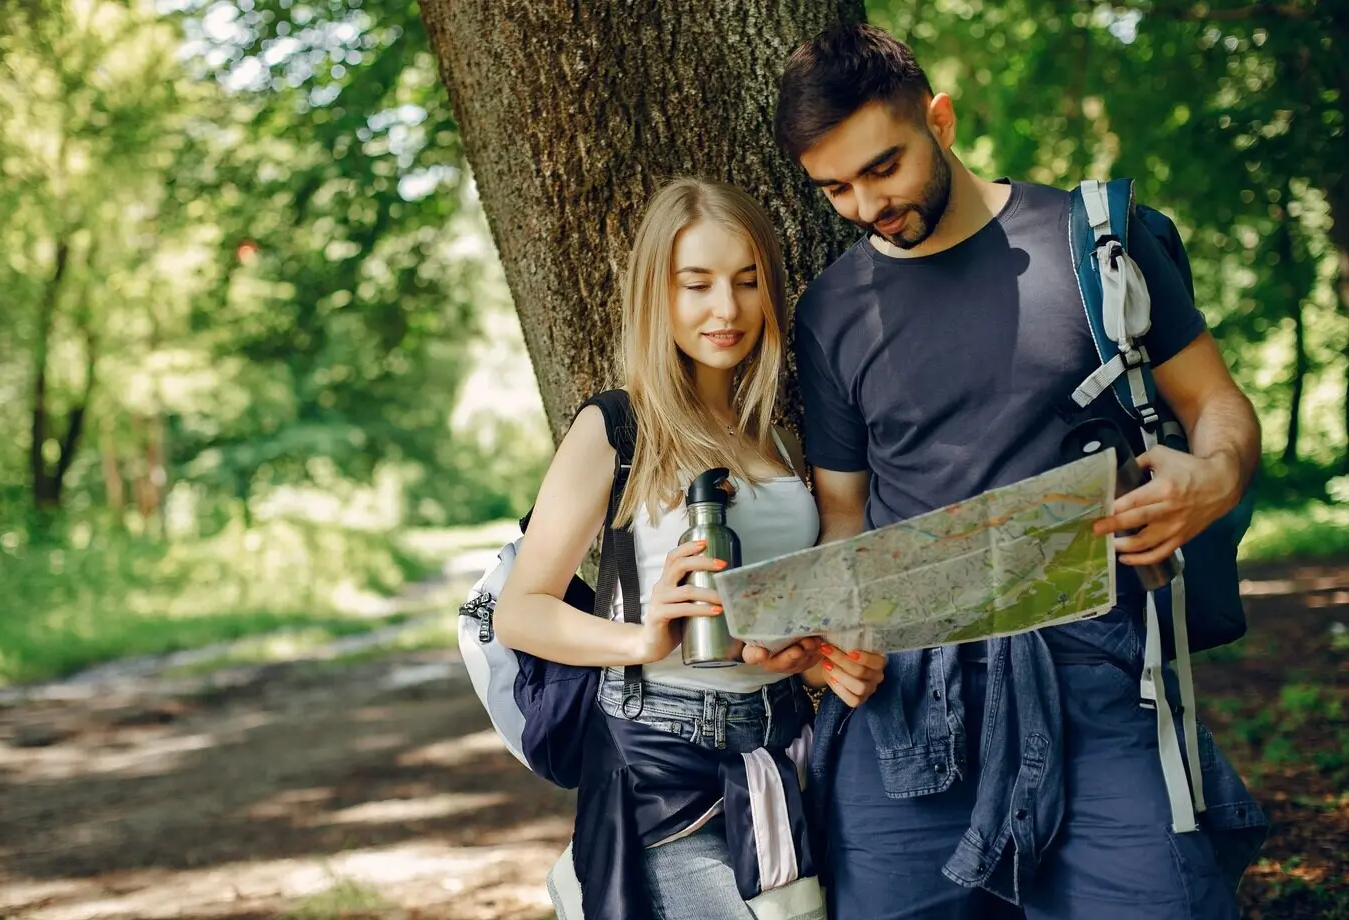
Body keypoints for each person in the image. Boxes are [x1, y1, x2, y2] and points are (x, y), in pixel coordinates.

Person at [770, 23, 1269, 920]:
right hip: (910, 701)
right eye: (835, 188)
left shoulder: (1098, 240)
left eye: (883, 168)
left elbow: (1216, 404)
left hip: (1100, 675)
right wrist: (824, 643)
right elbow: (843, 521)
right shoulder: (830, 310)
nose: (864, 205)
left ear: (942, 120)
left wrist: (1218, 476)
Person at [492, 176, 887, 920]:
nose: (725, 309)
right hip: (660, 761)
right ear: (656, 295)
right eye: (696, 283)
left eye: (746, 282)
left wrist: (807, 653)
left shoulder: (777, 437)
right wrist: (641, 636)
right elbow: (522, 610)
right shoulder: (615, 430)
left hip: (782, 750)